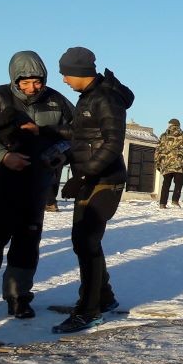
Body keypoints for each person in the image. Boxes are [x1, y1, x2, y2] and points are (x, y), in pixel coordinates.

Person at [0, 52, 74, 319]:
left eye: (38, 82)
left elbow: (76, 135)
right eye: (26, 83)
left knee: (26, 242)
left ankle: (18, 297)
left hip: (35, 185)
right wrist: (4, 157)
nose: (33, 88)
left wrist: (57, 154)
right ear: (14, 79)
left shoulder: (57, 102)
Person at [53, 47, 135, 333]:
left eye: (65, 74)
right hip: (91, 178)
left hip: (105, 180)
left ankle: (88, 310)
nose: (63, 80)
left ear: (79, 72)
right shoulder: (89, 97)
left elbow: (113, 143)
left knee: (86, 241)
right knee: (84, 241)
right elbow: (83, 134)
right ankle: (104, 297)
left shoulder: (106, 99)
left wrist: (83, 174)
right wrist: (46, 133)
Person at [155, 118, 183, 208]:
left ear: (169, 125)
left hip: (166, 164)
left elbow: (157, 151)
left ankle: (162, 203)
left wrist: (157, 164)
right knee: (179, 183)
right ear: (178, 125)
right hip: (179, 165)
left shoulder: (163, 136)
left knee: (166, 184)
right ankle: (175, 201)